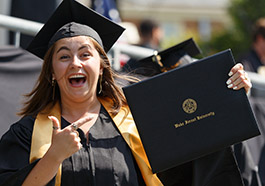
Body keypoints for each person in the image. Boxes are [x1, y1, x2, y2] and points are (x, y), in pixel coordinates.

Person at [0, 0, 252, 185]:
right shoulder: (28, 133)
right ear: (52, 73)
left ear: (101, 67)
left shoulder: (136, 122)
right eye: (64, 56)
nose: (75, 63)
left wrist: (230, 92)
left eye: (86, 54)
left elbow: (200, 142)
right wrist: (53, 157)